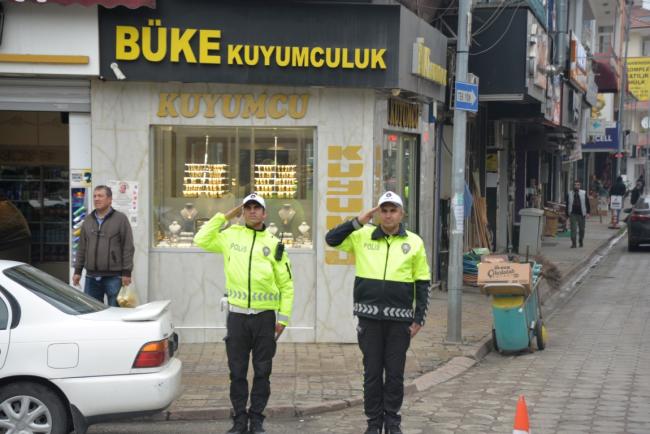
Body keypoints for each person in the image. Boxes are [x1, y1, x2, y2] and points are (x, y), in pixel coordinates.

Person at [325, 191, 431, 434]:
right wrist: (358, 221)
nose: (388, 215)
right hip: (369, 319)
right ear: (378, 213)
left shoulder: (414, 242)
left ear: (402, 214)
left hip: (400, 321)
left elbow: (422, 282)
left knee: (394, 375)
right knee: (372, 374)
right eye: (384, 210)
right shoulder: (362, 235)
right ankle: (373, 423)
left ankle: (392, 422)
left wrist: (419, 319)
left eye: (393, 210)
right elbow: (331, 239)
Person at [194, 193, 294, 434]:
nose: (252, 211)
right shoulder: (230, 236)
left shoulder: (274, 243)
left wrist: (283, 319)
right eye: (247, 207)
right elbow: (200, 239)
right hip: (237, 317)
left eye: (257, 208)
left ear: (264, 214)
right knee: (237, 372)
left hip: (264, 318)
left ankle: (257, 419)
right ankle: (239, 419)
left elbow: (286, 285)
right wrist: (225, 216)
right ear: (242, 211)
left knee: (262, 372)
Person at [73, 185, 134, 306]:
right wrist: (77, 271)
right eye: (95, 196)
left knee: (115, 312)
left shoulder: (120, 219)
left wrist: (127, 272)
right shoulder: (88, 220)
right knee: (92, 310)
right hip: (91, 277)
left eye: (100, 196)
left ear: (110, 199)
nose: (96, 199)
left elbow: (128, 247)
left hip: (114, 277)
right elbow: (82, 248)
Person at [565, 180, 590, 248]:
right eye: (575, 185)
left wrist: (588, 212)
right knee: (573, 229)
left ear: (580, 186)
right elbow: (567, 204)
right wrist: (567, 215)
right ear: (573, 186)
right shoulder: (569, 193)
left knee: (582, 229)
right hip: (573, 213)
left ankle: (580, 240)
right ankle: (574, 243)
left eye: (578, 185)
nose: (576, 186)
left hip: (581, 213)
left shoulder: (584, 193)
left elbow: (587, 203)